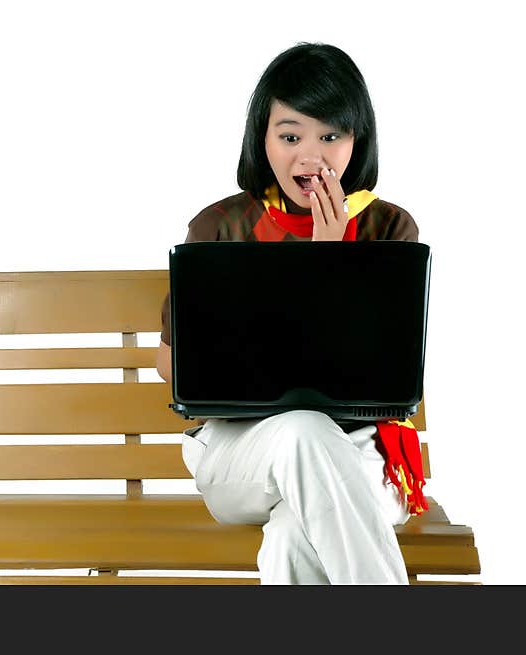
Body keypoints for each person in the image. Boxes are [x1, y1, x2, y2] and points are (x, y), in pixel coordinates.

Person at [156, 42, 427, 584]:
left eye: (331, 135)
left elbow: (385, 373)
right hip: (242, 453)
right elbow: (170, 368)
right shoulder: (219, 228)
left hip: (363, 452)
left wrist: (333, 264)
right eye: (291, 136)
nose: (312, 156)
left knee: (292, 536)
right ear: (264, 140)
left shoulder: (388, 229)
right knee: (301, 430)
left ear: (358, 140)